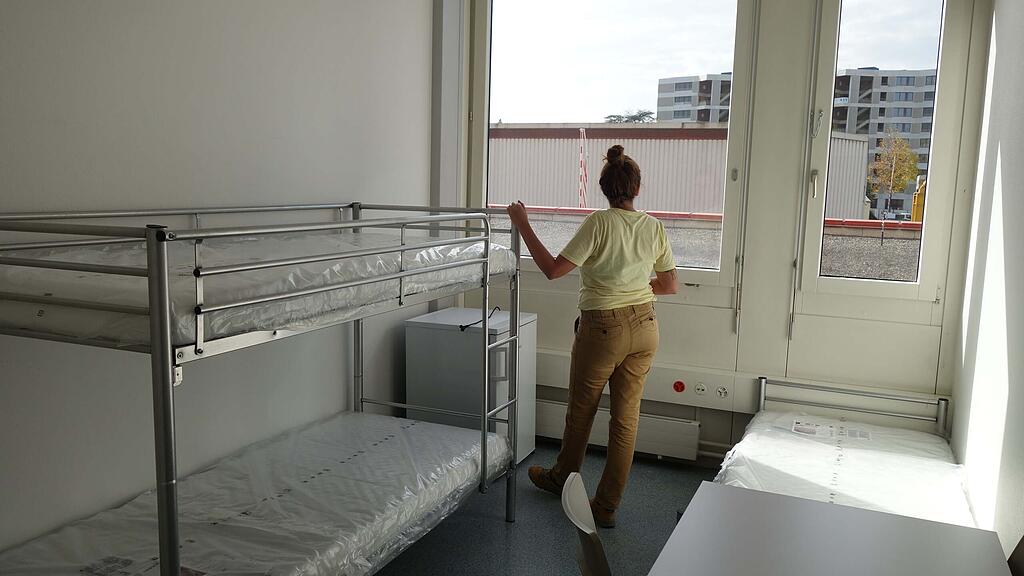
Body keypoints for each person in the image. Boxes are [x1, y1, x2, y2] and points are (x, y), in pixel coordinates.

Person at [505, 144, 677, 528]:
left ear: (604, 189)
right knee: (625, 422)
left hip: (603, 329)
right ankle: (606, 507)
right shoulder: (653, 226)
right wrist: (635, 286)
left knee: (581, 413)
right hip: (646, 327)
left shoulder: (599, 223)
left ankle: (561, 479)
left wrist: (523, 224)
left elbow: (553, 270)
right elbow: (669, 285)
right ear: (636, 188)